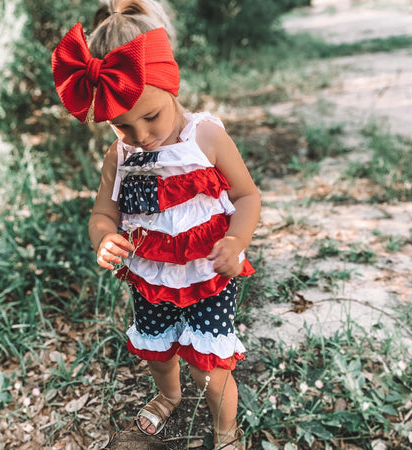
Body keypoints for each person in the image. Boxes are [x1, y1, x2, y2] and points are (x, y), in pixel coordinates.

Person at [51, 1, 261, 448]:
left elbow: (247, 196)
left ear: (171, 85)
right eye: (122, 127)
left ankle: (226, 431)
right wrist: (104, 236)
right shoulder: (121, 156)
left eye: (151, 117)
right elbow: (102, 214)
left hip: (208, 276)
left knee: (210, 364)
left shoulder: (205, 138)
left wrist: (236, 238)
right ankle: (169, 394)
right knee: (158, 350)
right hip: (151, 280)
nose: (142, 136)